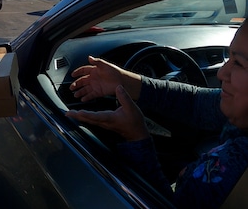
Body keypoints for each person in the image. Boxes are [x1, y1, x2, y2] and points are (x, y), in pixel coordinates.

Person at [66, 21, 248, 209]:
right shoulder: (241, 116)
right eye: (229, 57)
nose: (221, 73)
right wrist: (123, 80)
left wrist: (136, 139)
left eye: (239, 63)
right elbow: (195, 103)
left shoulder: (236, 166)